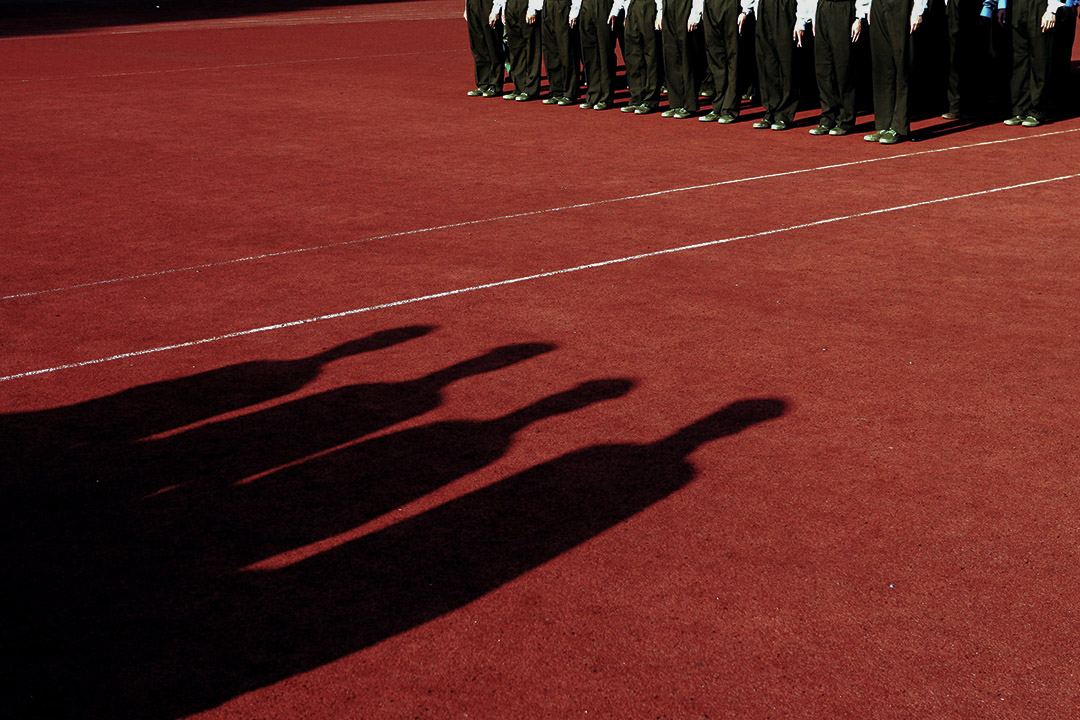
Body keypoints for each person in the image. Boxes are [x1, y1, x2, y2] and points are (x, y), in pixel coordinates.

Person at [863, 0, 929, 143]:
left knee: (902, 64)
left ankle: (899, 127)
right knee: (882, 65)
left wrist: (918, 10)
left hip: (901, 5)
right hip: (878, 5)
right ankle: (883, 125)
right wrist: (867, 6)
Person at [809, 0, 870, 134]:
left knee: (844, 67)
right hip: (823, 8)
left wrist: (859, 17)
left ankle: (845, 119)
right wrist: (813, 16)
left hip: (843, 8)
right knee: (823, 68)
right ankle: (827, 118)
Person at [1004, 0, 1067, 126]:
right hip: (1018, 6)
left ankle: (1037, 110)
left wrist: (1051, 10)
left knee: (1040, 58)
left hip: (1040, 5)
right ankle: (1020, 109)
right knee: (1019, 60)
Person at [753, 0, 814, 130]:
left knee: (786, 62)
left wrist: (801, 20)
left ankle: (784, 113)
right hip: (765, 7)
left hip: (785, 7)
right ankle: (771, 109)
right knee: (766, 61)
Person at [699, 0, 758, 122]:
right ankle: (718, 106)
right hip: (711, 6)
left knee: (733, 57)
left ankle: (730, 109)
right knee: (716, 58)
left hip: (731, 6)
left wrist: (745, 10)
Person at [610, 0, 666, 113]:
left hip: (649, 7)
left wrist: (660, 14)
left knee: (651, 56)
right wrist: (620, 12)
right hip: (632, 7)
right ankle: (636, 97)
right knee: (633, 56)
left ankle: (650, 100)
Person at [659, 0, 706, 117]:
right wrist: (660, 13)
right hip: (668, 8)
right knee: (671, 56)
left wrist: (695, 15)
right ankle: (676, 103)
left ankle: (690, 105)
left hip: (686, 8)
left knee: (687, 58)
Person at [572, 0, 620, 109]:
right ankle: (593, 94)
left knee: (605, 52)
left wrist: (615, 10)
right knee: (589, 53)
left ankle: (606, 97)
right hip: (586, 6)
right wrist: (574, 12)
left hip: (604, 6)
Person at [499, 0, 545, 100]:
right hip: (511, 6)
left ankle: (530, 89)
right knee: (516, 50)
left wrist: (532, 9)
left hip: (527, 5)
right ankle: (519, 87)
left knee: (531, 49)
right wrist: (503, 9)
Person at [542, 0, 582, 104]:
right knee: (551, 52)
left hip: (564, 6)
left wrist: (574, 12)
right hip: (547, 6)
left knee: (567, 51)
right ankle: (556, 91)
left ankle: (570, 92)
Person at [465, 0, 506, 96]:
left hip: (489, 4)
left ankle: (495, 84)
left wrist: (496, 9)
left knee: (493, 45)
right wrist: (467, 7)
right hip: (473, 4)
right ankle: (483, 83)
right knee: (478, 46)